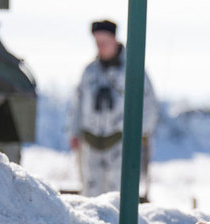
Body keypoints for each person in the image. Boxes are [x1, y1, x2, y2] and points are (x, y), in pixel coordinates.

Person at [69, 19, 160, 200]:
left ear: (114, 40)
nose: (100, 47)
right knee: (90, 194)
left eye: (104, 42)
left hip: (121, 141)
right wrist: (74, 132)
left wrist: (140, 133)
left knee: (118, 195)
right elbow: (77, 103)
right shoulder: (90, 71)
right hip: (91, 141)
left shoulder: (133, 71)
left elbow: (149, 104)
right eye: (97, 42)